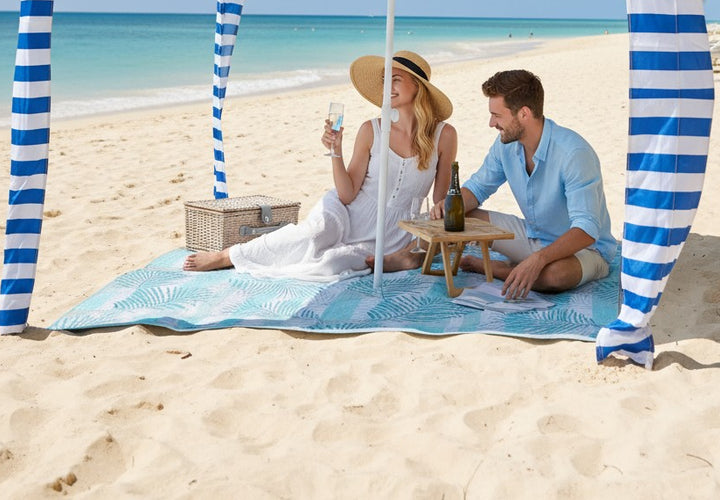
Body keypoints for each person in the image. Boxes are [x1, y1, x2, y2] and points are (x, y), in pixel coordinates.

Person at [183, 51, 457, 279]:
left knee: (333, 265)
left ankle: (403, 259)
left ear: (418, 87)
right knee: (312, 234)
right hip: (349, 213)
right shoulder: (371, 129)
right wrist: (335, 151)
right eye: (385, 81)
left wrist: (435, 220)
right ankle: (227, 255)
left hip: (396, 233)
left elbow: (440, 200)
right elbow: (348, 194)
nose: (387, 89)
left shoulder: (444, 135)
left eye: (395, 80)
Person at [444, 69, 615, 299]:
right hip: (533, 235)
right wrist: (447, 208)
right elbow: (477, 188)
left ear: (524, 114)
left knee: (554, 276)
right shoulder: (505, 145)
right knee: (461, 215)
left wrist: (539, 259)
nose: (491, 123)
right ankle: (524, 265)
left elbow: (587, 230)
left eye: (497, 115)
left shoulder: (574, 153)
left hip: (585, 250)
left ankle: (501, 269)